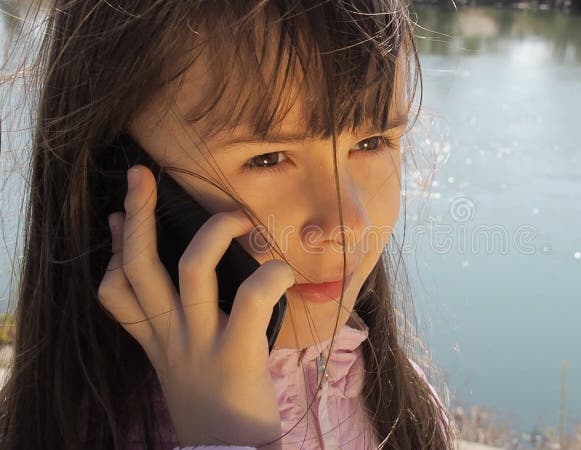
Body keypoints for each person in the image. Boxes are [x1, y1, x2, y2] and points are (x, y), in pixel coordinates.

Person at [0, 1, 456, 449]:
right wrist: (225, 436)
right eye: (267, 158)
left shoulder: (389, 395)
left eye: (372, 142)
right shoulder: (85, 432)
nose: (347, 223)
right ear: (115, 176)